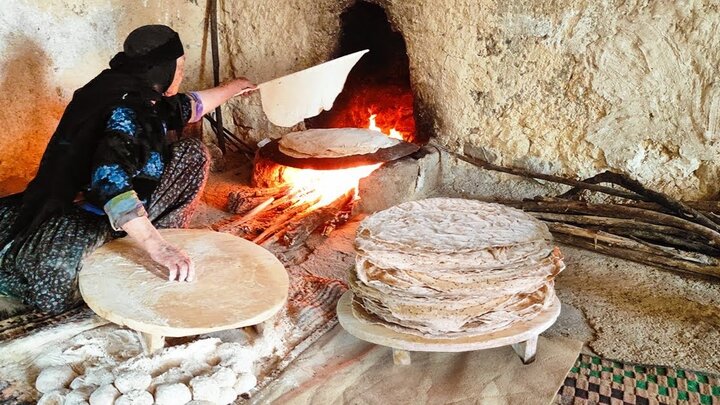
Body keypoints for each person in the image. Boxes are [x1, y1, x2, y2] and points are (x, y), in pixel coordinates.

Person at [0, 25, 256, 314]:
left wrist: (233, 88)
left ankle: (150, 233)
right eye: (179, 67)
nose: (181, 74)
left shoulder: (122, 85)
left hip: (76, 196)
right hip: (82, 209)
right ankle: (152, 240)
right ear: (162, 69)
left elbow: (185, 107)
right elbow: (109, 179)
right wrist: (156, 247)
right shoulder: (132, 111)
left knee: (191, 153)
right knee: (51, 290)